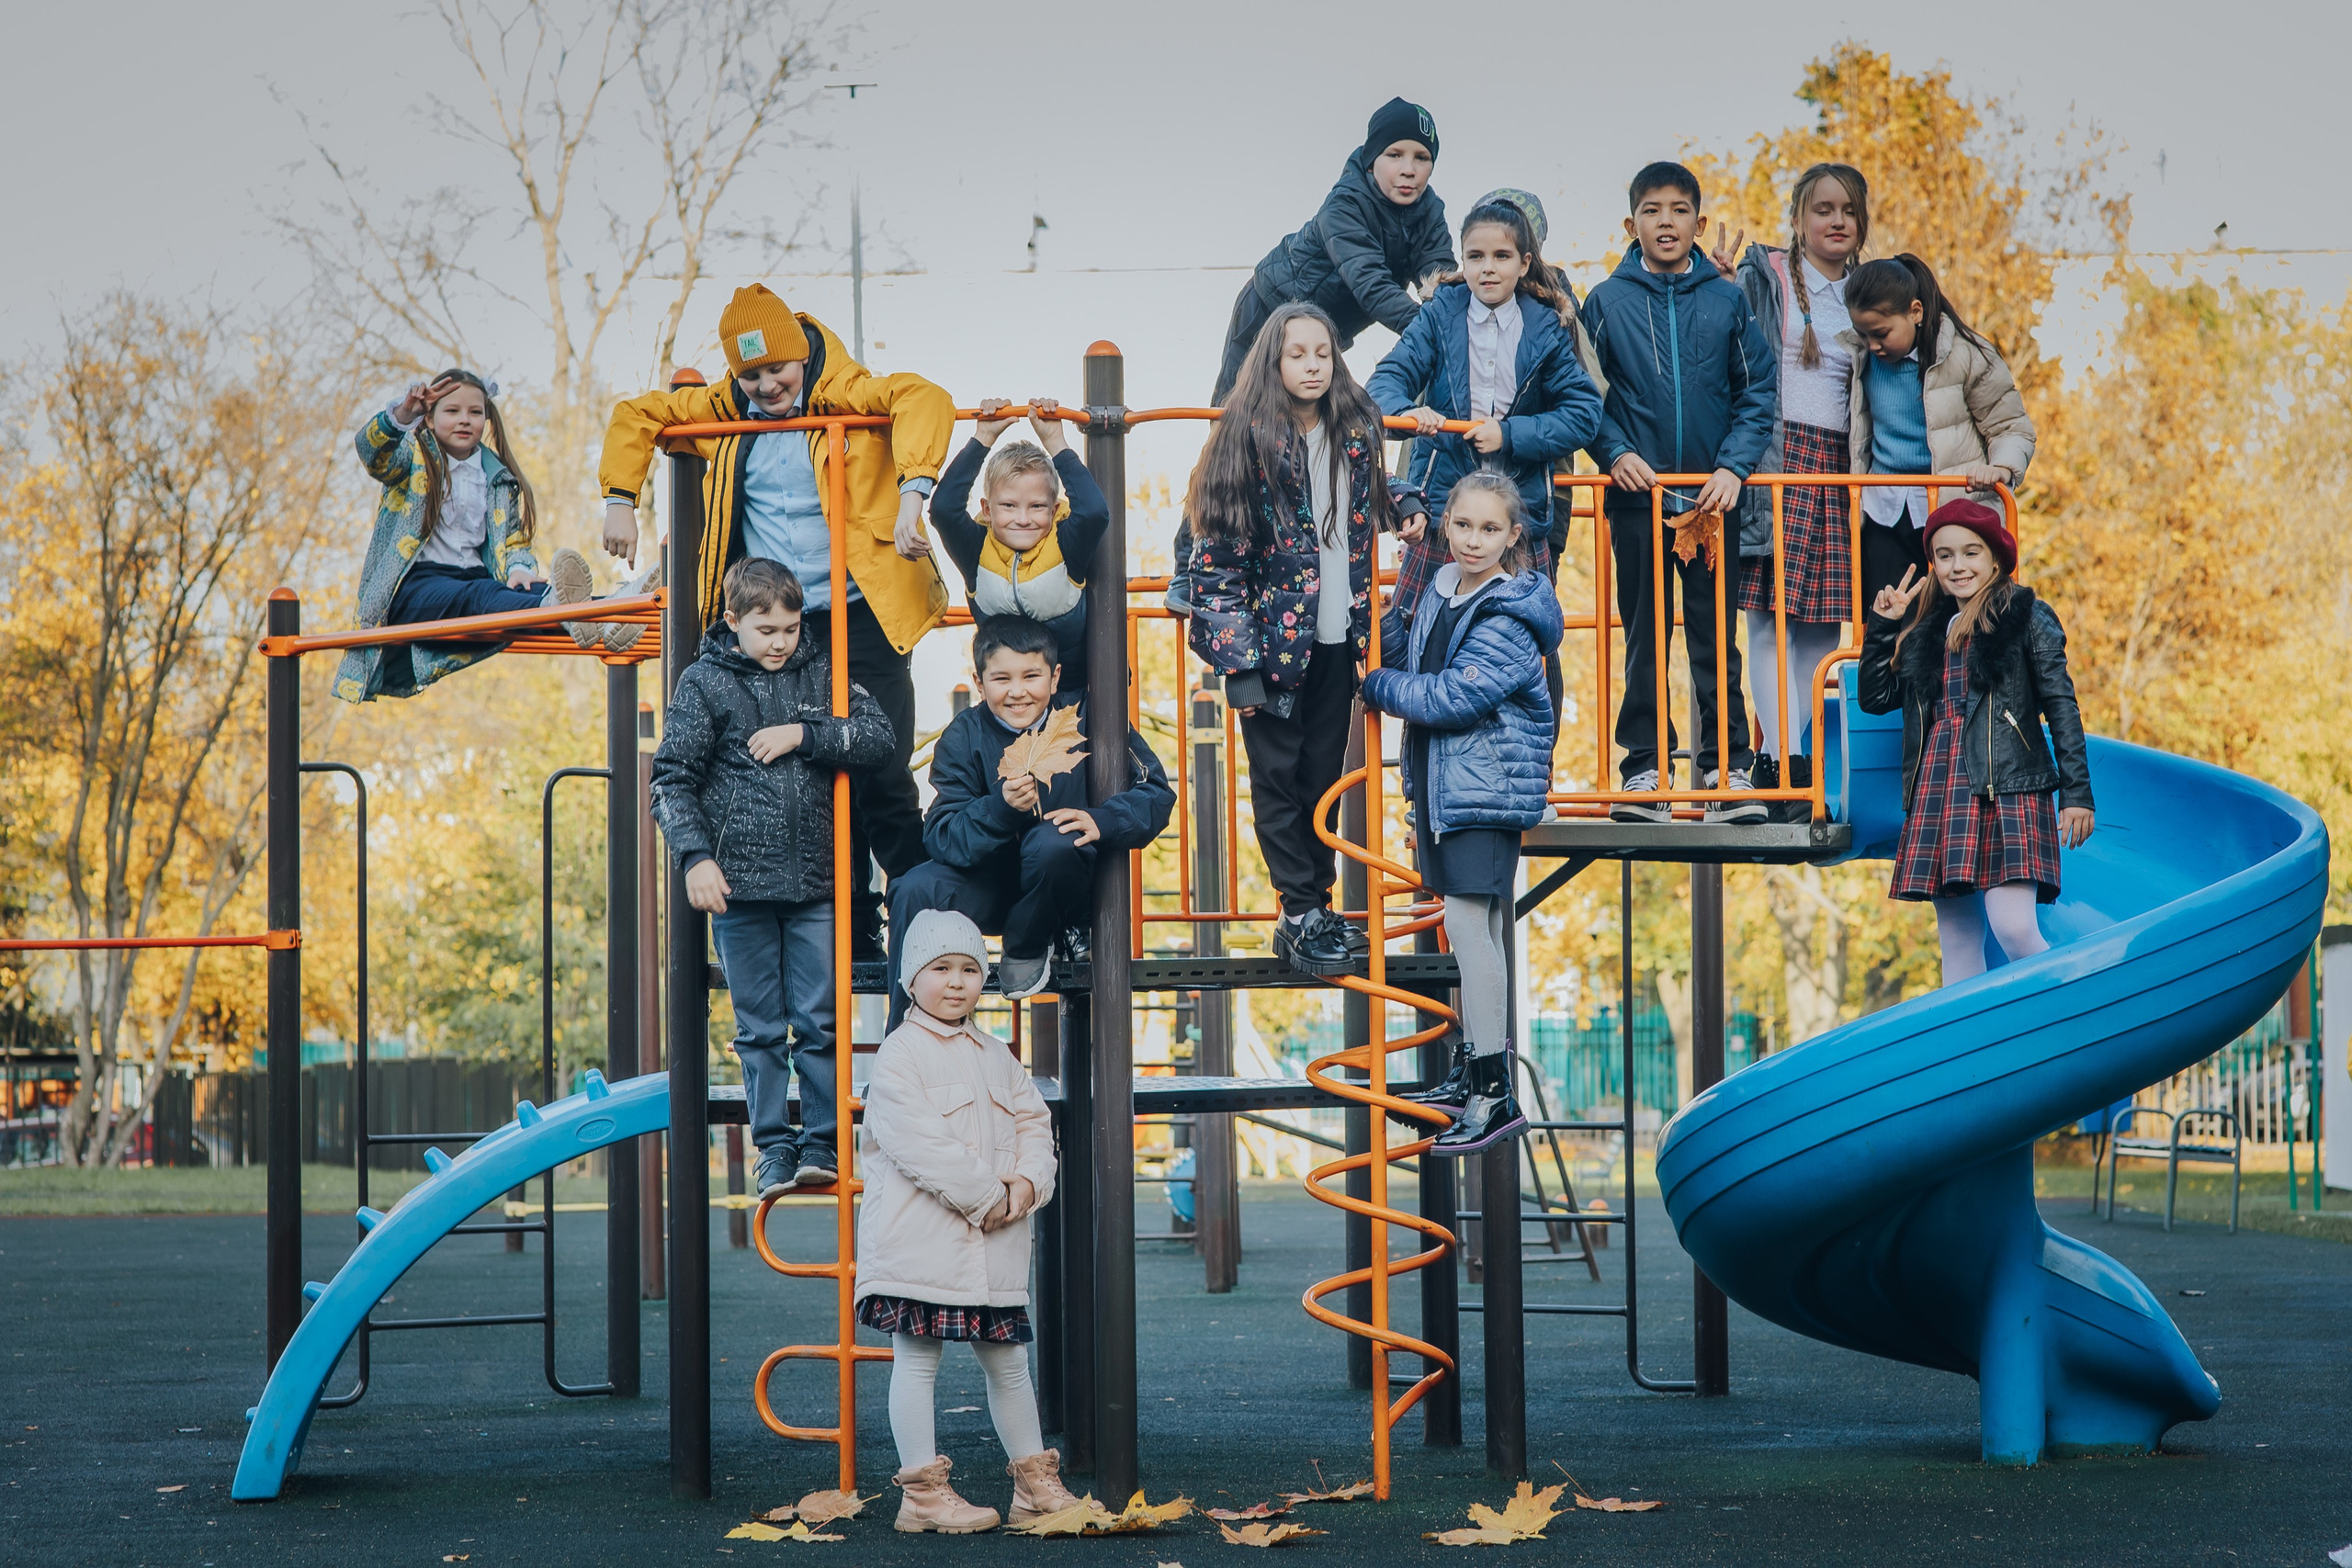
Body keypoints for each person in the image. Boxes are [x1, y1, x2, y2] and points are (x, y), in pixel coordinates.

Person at [598, 283, 954, 959]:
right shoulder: (726, 411)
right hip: (788, 626)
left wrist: (914, 493)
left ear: (802, 359)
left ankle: (927, 926)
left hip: (862, 610)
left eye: (777, 370)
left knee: (878, 766)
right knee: (812, 777)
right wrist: (621, 496)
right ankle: (855, 930)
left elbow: (923, 398)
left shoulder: (845, 391)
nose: (765, 385)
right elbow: (637, 412)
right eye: (751, 373)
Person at [1187, 302, 1426, 976]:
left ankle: (1314, 909)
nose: (1314, 365)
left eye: (1323, 353)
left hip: (1335, 638)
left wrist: (1403, 500)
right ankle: (1297, 909)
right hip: (1268, 648)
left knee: (1322, 774)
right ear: (1274, 360)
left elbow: (1368, 492)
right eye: (1299, 354)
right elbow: (1218, 560)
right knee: (1278, 779)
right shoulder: (1247, 439)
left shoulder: (1354, 428)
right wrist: (1236, 663)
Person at [650, 558, 893, 1196]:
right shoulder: (705, 682)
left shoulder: (823, 669)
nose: (780, 641)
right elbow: (671, 778)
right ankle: (774, 1149)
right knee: (758, 1028)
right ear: (733, 623)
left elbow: (876, 737)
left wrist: (802, 734)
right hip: (740, 888)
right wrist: (695, 857)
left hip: (817, 882)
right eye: (766, 630)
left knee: (820, 1020)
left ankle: (823, 1143)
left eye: (789, 627)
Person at [859, 909, 1077, 1534]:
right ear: (911, 978)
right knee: (918, 1357)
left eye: (969, 969)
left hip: (996, 1242)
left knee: (1008, 1361)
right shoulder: (901, 1053)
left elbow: (1035, 1122)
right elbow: (922, 1144)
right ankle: (922, 1492)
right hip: (922, 1242)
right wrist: (989, 1195)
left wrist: (1027, 1182)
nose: (956, 982)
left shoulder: (995, 1053)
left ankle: (1034, 1484)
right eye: (940, 968)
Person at [1363, 472, 1559, 1154]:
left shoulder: (1513, 609)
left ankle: (1492, 1086)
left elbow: (1450, 697)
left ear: (1513, 537)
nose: (1475, 540)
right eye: (1465, 525)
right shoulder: (1440, 588)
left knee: (1470, 926)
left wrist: (1376, 685)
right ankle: (1474, 1067)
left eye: (1490, 529)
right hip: (1445, 786)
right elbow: (1401, 648)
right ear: (1446, 524)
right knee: (1465, 926)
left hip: (1489, 785)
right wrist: (1383, 614)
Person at [1579, 162, 1777, 825]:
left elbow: (1757, 394)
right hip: (1639, 500)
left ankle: (1726, 770)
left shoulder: (1725, 301)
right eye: (1652, 210)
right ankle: (1645, 771)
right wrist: (1615, 453)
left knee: (1716, 638)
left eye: (1679, 209)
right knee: (1644, 636)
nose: (1666, 221)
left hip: (1712, 503)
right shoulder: (1605, 302)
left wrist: (1733, 469)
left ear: (1698, 219)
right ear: (1631, 223)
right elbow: (1585, 394)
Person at [888, 616, 1173, 1020]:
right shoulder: (964, 734)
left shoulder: (1088, 718)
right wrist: (999, 809)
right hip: (992, 884)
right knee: (913, 887)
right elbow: (941, 836)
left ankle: (1025, 944)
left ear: (1055, 678)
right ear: (979, 681)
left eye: (1032, 676)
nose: (1018, 692)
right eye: (1002, 679)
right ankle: (905, 1029)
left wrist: (1103, 821)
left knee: (1056, 837)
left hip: (1062, 890)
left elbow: (1157, 792)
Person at [1858, 501, 2091, 985]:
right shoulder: (1926, 628)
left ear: (1994, 559)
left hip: (2007, 783)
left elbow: (2061, 706)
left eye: (1970, 553)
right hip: (1942, 787)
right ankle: (1977, 1056)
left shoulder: (2025, 614)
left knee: (2014, 926)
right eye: (1944, 556)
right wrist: (1883, 627)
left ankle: (2069, 1014)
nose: (1957, 566)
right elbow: (1876, 697)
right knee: (1958, 941)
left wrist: (2077, 795)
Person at [335, 369, 649, 704]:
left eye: (475, 412)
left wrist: (519, 570)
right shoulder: (412, 459)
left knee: (535, 589)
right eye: (452, 411)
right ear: (429, 418)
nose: (465, 420)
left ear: (487, 417)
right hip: (415, 592)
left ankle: (614, 610)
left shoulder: (497, 476)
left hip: (475, 584)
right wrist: (402, 415)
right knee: (484, 593)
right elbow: (372, 453)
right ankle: (570, 611)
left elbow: (512, 541)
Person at [1713, 164, 1871, 821]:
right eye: (1823, 209)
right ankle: (1775, 757)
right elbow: (1728, 347)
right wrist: (1714, 287)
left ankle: (1799, 751)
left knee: (1818, 623)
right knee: (1768, 618)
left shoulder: (1869, 289)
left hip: (1836, 464)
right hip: (1777, 456)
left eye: (1849, 211)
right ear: (1800, 217)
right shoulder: (1766, 275)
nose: (1836, 222)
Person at [1368, 192, 1602, 622]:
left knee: (1526, 641)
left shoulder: (1546, 325)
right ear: (1462, 261)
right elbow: (1384, 384)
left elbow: (1584, 410)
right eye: (1475, 256)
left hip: (1518, 516)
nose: (1488, 267)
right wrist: (1409, 414)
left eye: (1502, 256)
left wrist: (1509, 434)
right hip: (1444, 510)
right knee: (1414, 633)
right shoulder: (1440, 315)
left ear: (1525, 263)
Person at [1210, 97, 1454, 405]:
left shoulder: (1429, 212)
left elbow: (1440, 281)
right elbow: (1371, 284)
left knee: (1315, 418)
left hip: (1323, 334)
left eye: (1421, 157)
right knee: (1236, 412)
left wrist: (1458, 323)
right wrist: (1433, 331)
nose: (1409, 169)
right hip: (1268, 308)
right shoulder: (1344, 206)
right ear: (1371, 159)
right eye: (1394, 154)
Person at [1842, 254, 2035, 609]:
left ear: (1915, 312)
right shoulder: (1861, 357)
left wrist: (2001, 467)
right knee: (1888, 618)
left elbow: (2011, 426)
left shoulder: (1965, 353)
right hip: (1885, 510)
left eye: (1881, 333)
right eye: (1862, 334)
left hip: (1952, 509)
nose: (1872, 344)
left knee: (1952, 620)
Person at [925, 397, 1108, 697]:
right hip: (1009, 700)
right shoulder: (977, 550)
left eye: (1037, 506)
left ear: (1053, 509)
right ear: (987, 509)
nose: (1023, 519)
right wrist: (982, 438)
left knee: (1128, 746)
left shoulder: (1064, 544)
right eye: (1009, 506)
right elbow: (943, 510)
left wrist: (1055, 442)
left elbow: (1094, 512)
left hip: (1073, 695)